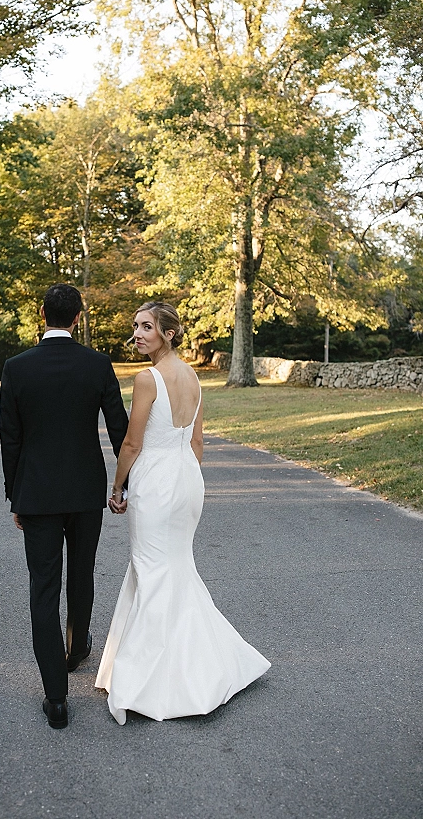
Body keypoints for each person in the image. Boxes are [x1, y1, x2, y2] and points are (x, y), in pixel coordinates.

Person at [95, 301, 270, 724]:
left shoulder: (146, 378)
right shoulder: (193, 375)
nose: (137, 333)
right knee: (173, 567)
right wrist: (183, 478)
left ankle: (148, 679)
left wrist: (117, 487)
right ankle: (200, 662)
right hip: (186, 480)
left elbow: (132, 445)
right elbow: (196, 444)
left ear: (169, 333)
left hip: (155, 481)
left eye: (147, 327)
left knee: (153, 569)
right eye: (135, 326)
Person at [0, 283, 129, 729]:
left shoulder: (16, 368)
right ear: (78, 317)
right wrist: (124, 486)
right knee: (81, 575)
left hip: (36, 494)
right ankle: (76, 651)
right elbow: (120, 430)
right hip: (84, 492)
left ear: (42, 314)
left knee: (43, 587)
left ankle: (56, 697)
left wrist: (15, 495)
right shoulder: (97, 364)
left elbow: (10, 439)